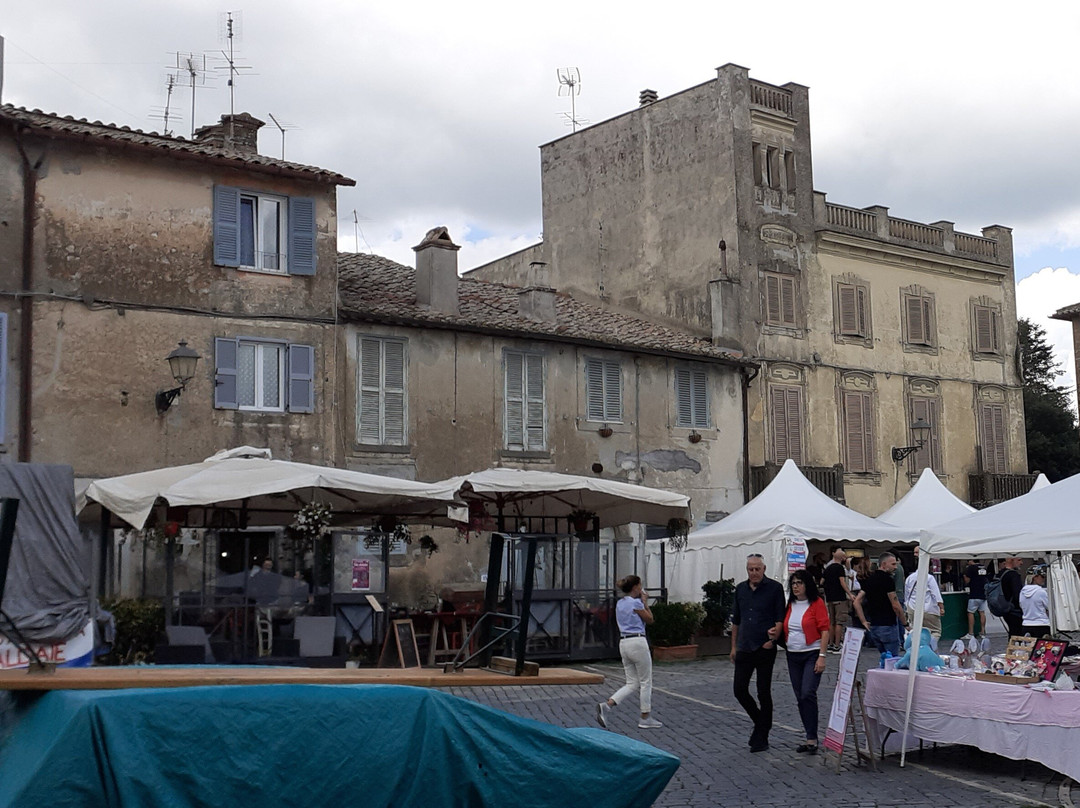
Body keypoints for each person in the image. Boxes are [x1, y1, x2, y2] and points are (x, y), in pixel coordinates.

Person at [730, 553, 786, 753]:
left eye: (757, 569)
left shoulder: (775, 589)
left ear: (764, 569)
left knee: (764, 691)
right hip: (745, 646)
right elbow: (736, 620)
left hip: (764, 647)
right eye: (750, 569)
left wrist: (772, 640)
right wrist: (733, 646)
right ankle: (762, 724)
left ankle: (761, 736)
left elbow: (780, 618)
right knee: (739, 690)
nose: (754, 572)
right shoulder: (741, 589)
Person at [773, 568, 829, 755]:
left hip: (811, 652)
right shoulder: (791, 604)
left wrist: (822, 656)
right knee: (800, 697)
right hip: (793, 654)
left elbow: (824, 629)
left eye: (799, 583)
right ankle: (810, 737)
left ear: (807, 585)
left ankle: (812, 735)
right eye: (793, 584)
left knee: (807, 692)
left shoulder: (816, 603)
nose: (796, 587)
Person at [597, 575, 663, 730]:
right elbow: (650, 619)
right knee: (646, 681)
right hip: (638, 642)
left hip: (624, 642)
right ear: (635, 588)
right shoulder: (636, 603)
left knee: (632, 682)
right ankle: (645, 717)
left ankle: (607, 705)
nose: (641, 588)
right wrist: (645, 602)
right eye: (640, 586)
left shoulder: (620, 603)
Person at [853, 552, 908, 656]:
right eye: (893, 564)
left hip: (874, 626)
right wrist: (905, 623)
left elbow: (856, 602)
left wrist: (863, 621)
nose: (895, 567)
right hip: (888, 625)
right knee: (892, 660)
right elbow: (895, 605)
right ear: (883, 564)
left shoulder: (869, 579)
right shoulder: (888, 580)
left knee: (884, 657)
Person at [903, 548, 945, 648]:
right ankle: (930, 648)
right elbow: (936, 594)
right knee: (935, 631)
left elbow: (906, 595)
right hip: (928, 609)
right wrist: (941, 607)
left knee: (917, 632)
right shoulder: (929, 578)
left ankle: (917, 650)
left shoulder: (910, 578)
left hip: (913, 608)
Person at [822, 546, 853, 654]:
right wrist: (849, 593)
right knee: (839, 622)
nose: (843, 552)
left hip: (830, 597)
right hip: (839, 597)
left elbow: (822, 581)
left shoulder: (827, 567)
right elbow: (842, 582)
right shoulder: (839, 568)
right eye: (840, 550)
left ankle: (830, 644)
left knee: (831, 622)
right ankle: (836, 645)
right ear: (834, 553)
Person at [1020, 567, 1051, 638]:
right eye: (1042, 576)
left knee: (1029, 647)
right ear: (1035, 577)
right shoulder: (1041, 592)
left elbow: (1021, 605)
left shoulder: (1022, 592)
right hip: (1042, 624)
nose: (1044, 579)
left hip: (1026, 624)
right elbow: (1050, 607)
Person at [962, 558, 989, 639]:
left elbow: (967, 580)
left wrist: (964, 576)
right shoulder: (983, 567)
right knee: (982, 612)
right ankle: (982, 632)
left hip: (974, 594)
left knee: (970, 612)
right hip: (983, 594)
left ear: (971, 560)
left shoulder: (970, 568)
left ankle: (970, 633)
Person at [999, 556, 1025, 637]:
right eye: (1019, 560)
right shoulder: (1013, 575)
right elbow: (1017, 594)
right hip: (1014, 609)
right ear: (1010, 560)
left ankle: (1013, 648)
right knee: (1017, 634)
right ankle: (1016, 649)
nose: (1021, 563)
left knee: (1013, 632)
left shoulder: (1000, 574)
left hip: (1004, 608)